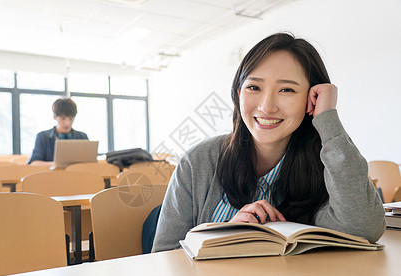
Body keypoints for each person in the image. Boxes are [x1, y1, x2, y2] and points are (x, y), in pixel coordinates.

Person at [152, 32, 386, 252]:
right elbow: (162, 259)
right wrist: (220, 237)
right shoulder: (198, 161)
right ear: (238, 94)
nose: (266, 107)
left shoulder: (328, 164)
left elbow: (363, 229)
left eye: (286, 89)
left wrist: (327, 119)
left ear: (311, 98)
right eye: (254, 87)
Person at [28, 98, 88, 167]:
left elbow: (90, 163)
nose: (67, 123)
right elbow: (34, 163)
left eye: (71, 119)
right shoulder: (43, 137)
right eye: (63, 118)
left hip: (78, 176)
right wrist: (57, 165)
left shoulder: (82, 137)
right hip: (51, 176)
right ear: (54, 116)